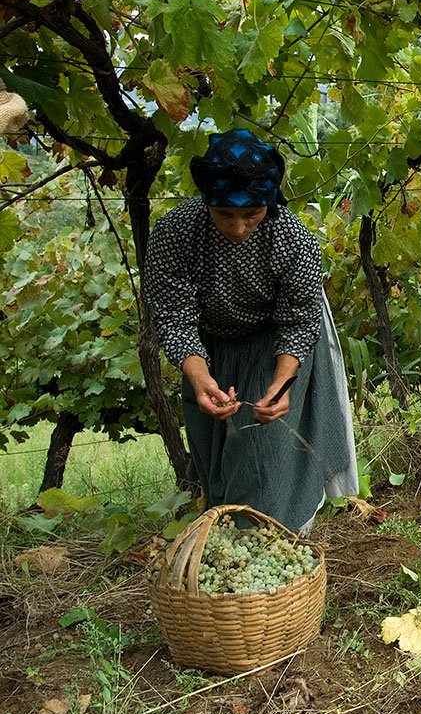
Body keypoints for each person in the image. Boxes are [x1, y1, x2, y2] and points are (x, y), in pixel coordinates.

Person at [144, 129, 359, 533]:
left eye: (252, 214)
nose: (239, 227)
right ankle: (224, 535)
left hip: (274, 343)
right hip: (208, 345)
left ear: (269, 204)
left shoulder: (292, 238)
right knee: (215, 449)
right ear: (207, 202)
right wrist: (200, 377)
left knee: (264, 452)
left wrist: (281, 385)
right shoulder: (176, 233)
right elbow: (173, 316)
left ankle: (270, 539)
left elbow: (299, 321)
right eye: (225, 214)